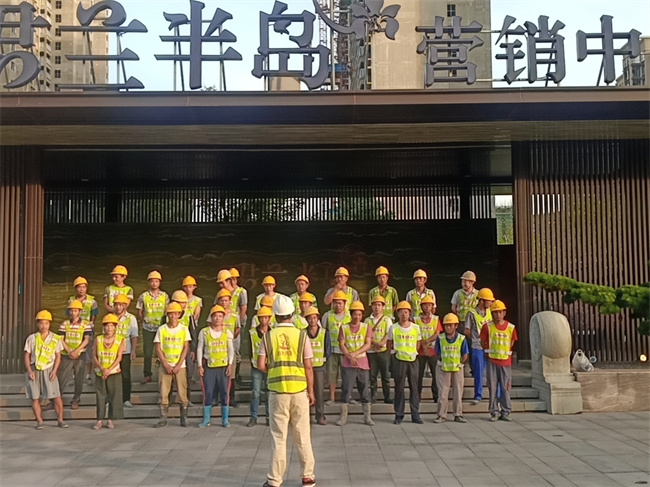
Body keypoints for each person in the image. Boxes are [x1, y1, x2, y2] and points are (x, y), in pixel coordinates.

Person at [257, 295, 316, 487]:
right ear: (292, 313)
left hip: (278, 392)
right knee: (302, 436)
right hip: (299, 391)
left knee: (278, 438)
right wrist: (311, 391)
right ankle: (308, 477)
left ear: (275, 315)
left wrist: (275, 370)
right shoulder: (302, 336)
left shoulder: (267, 337)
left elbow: (260, 364)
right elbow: (308, 367)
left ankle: (274, 480)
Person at [24, 310, 68, 429]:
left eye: (46, 323)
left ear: (49, 324)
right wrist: (29, 371)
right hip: (35, 368)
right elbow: (27, 355)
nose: (44, 326)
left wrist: (54, 371)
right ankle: (39, 421)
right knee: (35, 397)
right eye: (41, 323)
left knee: (56, 396)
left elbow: (58, 356)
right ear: (37, 324)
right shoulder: (32, 338)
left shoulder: (55, 338)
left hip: (49, 368)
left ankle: (60, 420)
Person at [154, 302, 191, 428]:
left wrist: (179, 364)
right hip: (165, 365)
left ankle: (184, 418)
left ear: (179, 314)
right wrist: (165, 363)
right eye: (171, 313)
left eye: (176, 313)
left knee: (182, 391)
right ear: (167, 315)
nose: (173, 316)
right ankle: (163, 418)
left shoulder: (184, 329)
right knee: (163, 391)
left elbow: (185, 347)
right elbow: (158, 347)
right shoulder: (162, 329)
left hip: (180, 365)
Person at [337, 301, 374, 427]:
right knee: (346, 390)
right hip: (348, 364)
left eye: (359, 314)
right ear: (351, 314)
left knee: (365, 390)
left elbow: (368, 344)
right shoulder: (344, 328)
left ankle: (367, 417)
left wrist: (355, 354)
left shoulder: (366, 327)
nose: (357, 317)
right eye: (355, 314)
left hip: (362, 363)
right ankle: (343, 417)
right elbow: (341, 344)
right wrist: (349, 356)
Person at [197, 305, 234, 428]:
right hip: (209, 367)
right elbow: (200, 349)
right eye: (215, 316)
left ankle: (225, 420)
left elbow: (230, 349)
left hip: (223, 367)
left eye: (220, 316)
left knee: (224, 393)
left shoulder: (227, 332)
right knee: (208, 392)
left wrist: (230, 364)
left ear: (223, 318)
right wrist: (199, 365)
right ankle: (206, 419)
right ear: (211, 317)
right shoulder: (204, 332)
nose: (217, 318)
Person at [481, 300, 517, 422]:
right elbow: (482, 341)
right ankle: (494, 412)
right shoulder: (487, 326)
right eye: (495, 312)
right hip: (492, 360)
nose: (498, 315)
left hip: (505, 362)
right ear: (491, 314)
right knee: (492, 387)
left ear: (504, 313)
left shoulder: (511, 327)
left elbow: (512, 341)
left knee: (505, 387)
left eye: (500, 312)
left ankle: (505, 411)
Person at [387, 301, 422, 424]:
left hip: (413, 360)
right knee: (399, 388)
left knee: (414, 388)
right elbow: (389, 344)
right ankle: (399, 414)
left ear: (409, 313)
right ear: (397, 313)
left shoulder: (416, 327)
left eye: (406, 312)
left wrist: (413, 353)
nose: (403, 314)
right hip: (399, 360)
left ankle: (415, 414)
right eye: (401, 312)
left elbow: (418, 344)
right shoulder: (393, 328)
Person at [433, 313, 469, 424]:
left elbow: (465, 354)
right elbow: (437, 353)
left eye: (450, 325)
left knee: (458, 392)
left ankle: (458, 414)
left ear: (456, 326)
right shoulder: (440, 338)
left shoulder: (461, 339)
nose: (448, 327)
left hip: (457, 368)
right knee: (443, 393)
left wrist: (460, 363)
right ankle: (441, 415)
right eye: (446, 325)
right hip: (443, 368)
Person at [57, 299, 92, 410]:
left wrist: (76, 351)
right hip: (66, 354)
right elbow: (61, 339)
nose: (73, 313)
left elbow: (86, 339)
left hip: (80, 354)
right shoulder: (64, 324)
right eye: (71, 310)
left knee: (79, 378)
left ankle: (76, 399)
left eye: (75, 310)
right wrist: (69, 351)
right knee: (62, 377)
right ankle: (57, 399)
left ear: (80, 311)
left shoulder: (86, 324)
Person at [92, 314, 125, 430]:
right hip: (100, 372)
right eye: (107, 325)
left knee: (113, 396)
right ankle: (99, 420)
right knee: (100, 396)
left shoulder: (120, 340)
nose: (109, 328)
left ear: (115, 327)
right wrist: (102, 368)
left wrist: (109, 369)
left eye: (111, 326)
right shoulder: (98, 339)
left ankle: (110, 419)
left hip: (114, 372)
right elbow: (94, 356)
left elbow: (119, 357)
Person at [137, 270, 170, 384]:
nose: (154, 283)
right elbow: (140, 311)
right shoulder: (143, 296)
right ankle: (147, 374)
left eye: (156, 281)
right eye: (152, 281)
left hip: (161, 328)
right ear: (148, 282)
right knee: (147, 352)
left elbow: (167, 311)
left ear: (159, 282)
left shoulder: (164, 296)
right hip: (148, 328)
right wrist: (144, 321)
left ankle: (163, 372)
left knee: (163, 351)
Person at [464, 288, 495, 405]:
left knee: (493, 372)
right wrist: (476, 337)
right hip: (477, 346)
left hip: (490, 346)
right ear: (481, 301)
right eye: (489, 301)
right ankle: (478, 395)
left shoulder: (491, 312)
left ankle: (496, 395)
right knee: (478, 372)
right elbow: (466, 330)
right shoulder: (471, 313)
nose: (491, 303)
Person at [66, 276, 98, 384]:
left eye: (83, 287)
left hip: (87, 329)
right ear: (75, 288)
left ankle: (88, 376)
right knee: (74, 351)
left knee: (88, 353)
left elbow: (93, 315)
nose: (81, 289)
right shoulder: (71, 300)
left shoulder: (92, 301)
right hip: (74, 329)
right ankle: (74, 377)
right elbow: (68, 315)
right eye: (79, 287)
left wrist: (91, 324)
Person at [321, 290, 351, 406]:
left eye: (340, 303)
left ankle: (347, 396)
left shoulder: (349, 316)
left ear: (344, 303)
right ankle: (332, 397)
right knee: (331, 374)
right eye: (335, 303)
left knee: (346, 375)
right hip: (332, 350)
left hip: (345, 351)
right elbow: (323, 332)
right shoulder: (327, 315)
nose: (337, 305)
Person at [305, 306, 330, 425]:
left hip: (320, 366)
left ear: (317, 318)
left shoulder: (324, 332)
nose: (312, 320)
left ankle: (320, 415)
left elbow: (328, 349)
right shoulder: (302, 333)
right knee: (306, 392)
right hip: (306, 366)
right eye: (310, 318)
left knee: (319, 392)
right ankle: (306, 417)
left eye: (314, 318)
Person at [365, 295, 392, 404]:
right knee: (372, 375)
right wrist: (375, 343)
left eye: (379, 305)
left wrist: (381, 343)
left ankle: (387, 397)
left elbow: (389, 333)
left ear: (383, 307)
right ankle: (373, 396)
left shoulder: (387, 319)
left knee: (385, 375)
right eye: (375, 305)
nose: (377, 307)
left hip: (383, 350)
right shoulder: (367, 320)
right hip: (371, 351)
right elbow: (365, 334)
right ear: (371, 306)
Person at [216, 289, 241, 407]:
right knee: (217, 375)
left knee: (231, 375)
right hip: (217, 348)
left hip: (230, 348)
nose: (224, 303)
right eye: (221, 300)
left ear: (230, 301)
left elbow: (237, 329)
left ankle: (231, 398)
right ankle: (216, 398)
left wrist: (230, 339)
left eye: (226, 300)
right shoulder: (214, 313)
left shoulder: (235, 315)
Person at [415, 295, 442, 402]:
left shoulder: (436, 319)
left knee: (435, 375)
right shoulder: (415, 319)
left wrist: (426, 342)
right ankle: (417, 395)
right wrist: (422, 345)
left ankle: (436, 395)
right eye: (425, 305)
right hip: (419, 351)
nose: (427, 307)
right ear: (421, 306)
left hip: (433, 351)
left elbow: (437, 333)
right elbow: (414, 333)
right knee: (418, 375)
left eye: (429, 305)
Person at [113, 294, 138, 408]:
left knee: (126, 375)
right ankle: (112, 398)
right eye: (116, 304)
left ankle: (126, 398)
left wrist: (133, 350)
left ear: (125, 305)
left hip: (125, 351)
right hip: (112, 351)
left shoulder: (131, 318)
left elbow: (134, 336)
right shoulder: (110, 317)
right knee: (112, 375)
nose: (118, 307)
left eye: (121, 304)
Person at [248, 307, 271, 427]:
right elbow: (249, 349)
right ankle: (253, 417)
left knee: (269, 393)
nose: (263, 320)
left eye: (266, 317)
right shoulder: (252, 333)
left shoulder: (272, 333)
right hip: (256, 367)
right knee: (255, 393)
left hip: (269, 367)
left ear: (269, 319)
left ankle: (269, 417)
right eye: (261, 317)